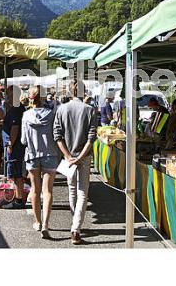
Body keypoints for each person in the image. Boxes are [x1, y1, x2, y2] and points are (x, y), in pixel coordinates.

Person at [53, 80, 98, 245]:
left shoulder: (61, 109)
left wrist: (68, 155)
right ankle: (76, 227)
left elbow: (57, 135)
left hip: (68, 156)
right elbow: (91, 137)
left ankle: (75, 224)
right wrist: (79, 157)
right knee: (82, 192)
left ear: (70, 92)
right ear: (83, 92)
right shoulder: (89, 110)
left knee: (72, 189)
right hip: (83, 156)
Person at [21, 86, 59, 238]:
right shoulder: (52, 114)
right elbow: (56, 134)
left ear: (30, 98)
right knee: (47, 190)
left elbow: (23, 140)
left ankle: (37, 222)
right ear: (43, 98)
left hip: (32, 154)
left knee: (35, 190)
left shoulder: (25, 115)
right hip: (50, 153)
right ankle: (46, 224)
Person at [2, 86, 26, 209]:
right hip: (15, 145)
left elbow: (15, 128)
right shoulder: (14, 108)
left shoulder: (16, 109)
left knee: (16, 174)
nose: (7, 96)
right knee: (16, 174)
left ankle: (19, 199)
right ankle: (18, 198)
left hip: (15, 147)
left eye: (9, 94)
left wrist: (10, 143)